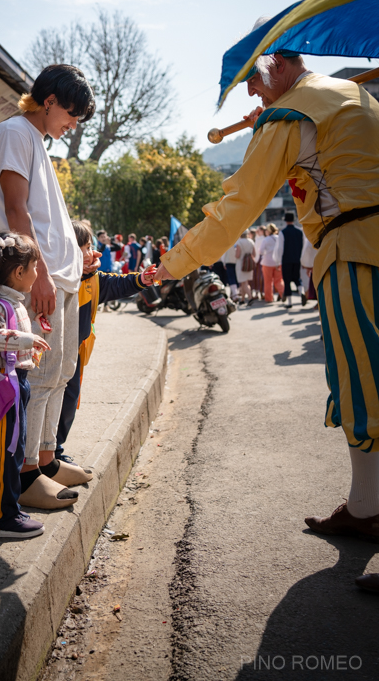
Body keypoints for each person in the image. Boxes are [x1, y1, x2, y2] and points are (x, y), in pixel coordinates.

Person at [154, 40, 379, 589]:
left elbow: (237, 208)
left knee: (368, 388)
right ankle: (367, 506)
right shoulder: (352, 95)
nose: (251, 94)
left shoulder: (291, 113)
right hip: (359, 244)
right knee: (360, 387)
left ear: (276, 64)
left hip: (357, 252)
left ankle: (370, 508)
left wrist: (168, 266)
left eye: (251, 81)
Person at [0, 64, 96, 510]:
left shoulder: (36, 140)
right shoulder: (14, 133)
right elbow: (17, 213)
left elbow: (42, 214)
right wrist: (43, 274)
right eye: (71, 114)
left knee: (61, 372)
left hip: (60, 277)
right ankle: (27, 472)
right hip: (37, 277)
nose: (72, 125)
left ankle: (46, 460)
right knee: (42, 375)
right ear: (49, 101)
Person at [55, 220, 156, 463]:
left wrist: (141, 279)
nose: (95, 253)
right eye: (87, 247)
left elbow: (117, 283)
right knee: (48, 404)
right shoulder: (56, 281)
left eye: (92, 246)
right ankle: (39, 458)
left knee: (68, 403)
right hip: (52, 357)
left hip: (76, 354)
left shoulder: (93, 280)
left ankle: (54, 451)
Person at [0, 232, 51, 536]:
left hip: (15, 384)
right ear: (19, 273)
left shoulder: (9, 300)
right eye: (35, 267)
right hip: (5, 389)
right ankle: (4, 518)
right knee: (9, 452)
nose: (37, 273)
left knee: (8, 451)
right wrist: (26, 339)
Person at [276, 212, 305, 308]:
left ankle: (289, 302)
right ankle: (302, 292)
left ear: (285, 220)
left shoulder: (282, 232)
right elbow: (303, 246)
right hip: (297, 259)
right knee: (297, 278)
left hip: (286, 260)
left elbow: (280, 248)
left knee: (287, 280)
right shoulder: (300, 232)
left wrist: (278, 261)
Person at [261, 223, 284, 303]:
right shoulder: (279, 238)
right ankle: (283, 293)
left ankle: (269, 298)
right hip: (278, 262)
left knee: (268, 282)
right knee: (279, 280)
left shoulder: (266, 239)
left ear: (268, 231)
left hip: (267, 262)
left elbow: (261, 251)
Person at [234, 231, 256, 304]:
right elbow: (254, 254)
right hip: (249, 264)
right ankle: (242, 299)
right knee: (244, 282)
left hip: (241, 264)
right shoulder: (251, 241)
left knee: (244, 282)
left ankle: (250, 297)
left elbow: (237, 255)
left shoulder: (239, 243)